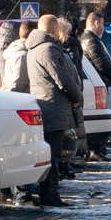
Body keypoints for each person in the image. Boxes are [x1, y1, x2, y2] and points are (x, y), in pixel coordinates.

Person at [27, 15, 85, 203]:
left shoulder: (33, 48)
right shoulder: (49, 49)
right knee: (53, 155)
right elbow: (64, 79)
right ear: (54, 30)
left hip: (44, 104)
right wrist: (76, 98)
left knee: (49, 155)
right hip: (54, 107)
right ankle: (50, 195)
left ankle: (48, 193)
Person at [80, 16, 111, 159]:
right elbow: (101, 63)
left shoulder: (92, 39)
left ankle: (100, 149)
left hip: (102, 82)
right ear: (96, 23)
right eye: (102, 23)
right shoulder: (90, 40)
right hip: (99, 82)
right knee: (100, 120)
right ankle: (95, 150)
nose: (103, 27)